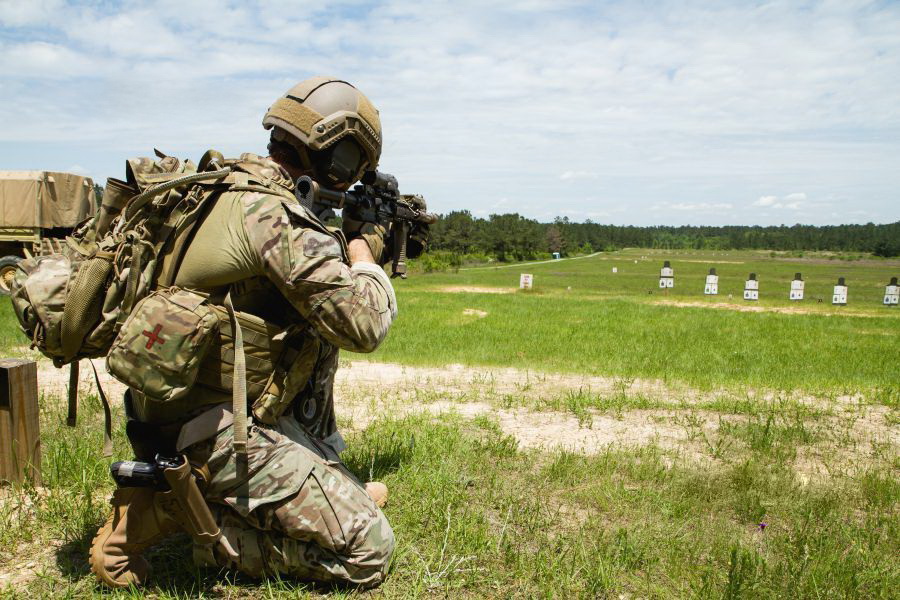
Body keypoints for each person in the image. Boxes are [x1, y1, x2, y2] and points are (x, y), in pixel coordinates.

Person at [89, 76, 402, 589]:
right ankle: (173, 516)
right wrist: (364, 253)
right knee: (369, 550)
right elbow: (363, 324)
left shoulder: (220, 188)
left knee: (351, 489)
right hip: (214, 433)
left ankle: (201, 489)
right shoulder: (275, 216)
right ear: (337, 155)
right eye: (352, 166)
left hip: (168, 413)